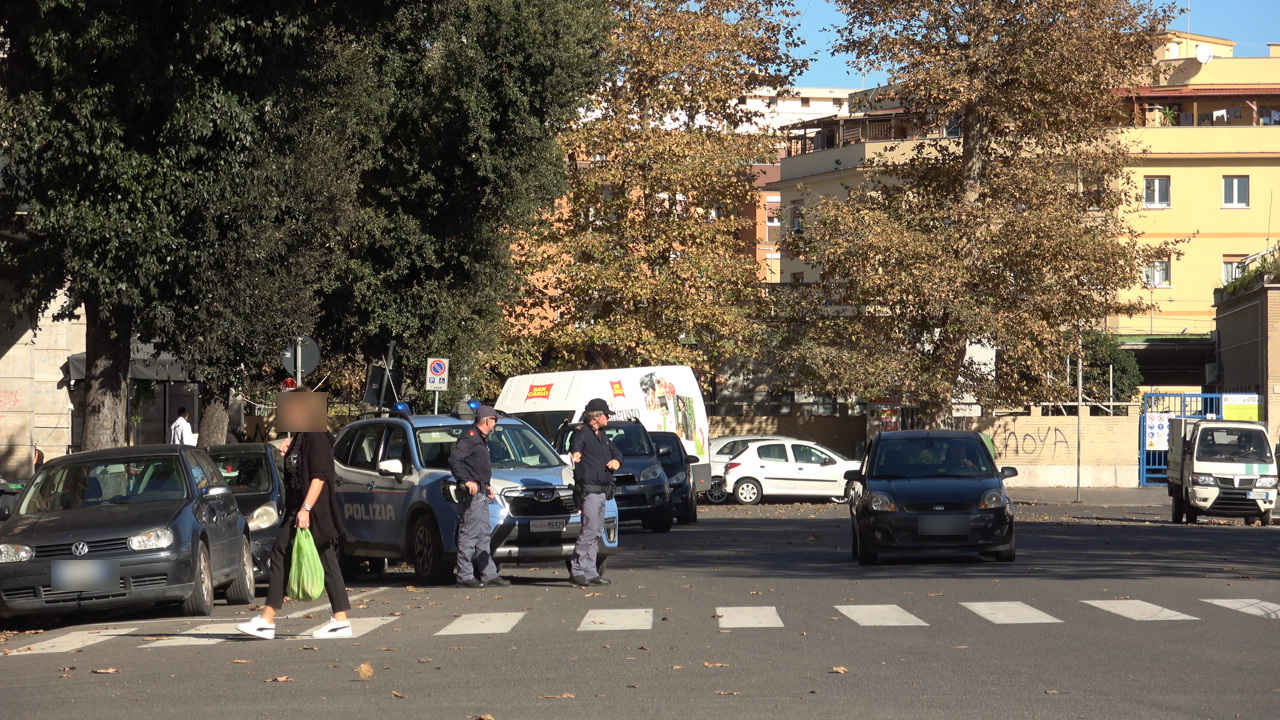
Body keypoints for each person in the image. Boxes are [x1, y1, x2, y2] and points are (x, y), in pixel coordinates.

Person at [238, 394, 351, 640]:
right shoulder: (302, 436)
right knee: (326, 561)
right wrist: (286, 455)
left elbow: (321, 475)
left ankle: (268, 618)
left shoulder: (317, 436)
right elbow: (300, 471)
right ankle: (341, 619)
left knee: (279, 552)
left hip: (313, 511)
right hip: (302, 509)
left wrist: (306, 509)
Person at [450, 405, 510, 589]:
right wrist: (466, 480)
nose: (496, 423)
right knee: (469, 535)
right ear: (487, 421)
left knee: (484, 535)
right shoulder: (471, 438)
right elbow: (454, 460)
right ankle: (465, 576)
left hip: (483, 492)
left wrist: (487, 484)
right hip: (473, 495)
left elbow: (476, 466)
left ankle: (488, 574)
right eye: (495, 419)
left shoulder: (481, 439)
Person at [568, 398, 622, 587]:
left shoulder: (602, 436)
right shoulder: (582, 433)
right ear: (596, 416)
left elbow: (618, 453)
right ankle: (577, 569)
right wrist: (576, 454)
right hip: (589, 491)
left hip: (602, 492)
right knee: (589, 530)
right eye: (606, 414)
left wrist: (617, 461)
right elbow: (575, 446)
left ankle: (591, 571)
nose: (609, 418)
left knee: (597, 531)